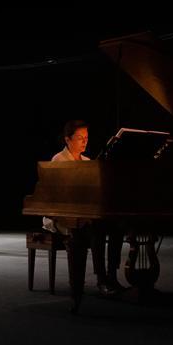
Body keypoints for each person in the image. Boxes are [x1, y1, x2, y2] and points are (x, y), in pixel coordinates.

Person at [42, 120, 125, 295]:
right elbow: (57, 196)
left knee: (117, 226)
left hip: (84, 214)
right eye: (80, 137)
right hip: (61, 216)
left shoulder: (88, 161)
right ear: (68, 139)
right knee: (96, 229)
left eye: (86, 137)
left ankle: (112, 276)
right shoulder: (59, 160)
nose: (84, 141)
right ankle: (101, 279)